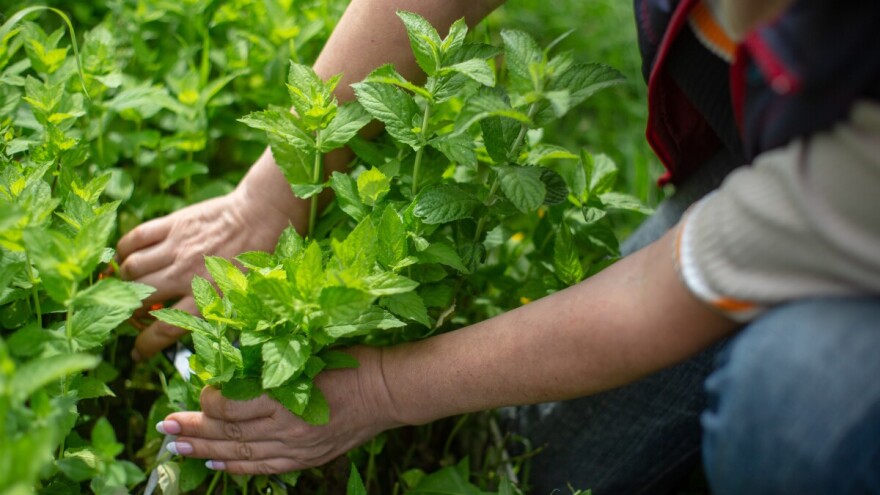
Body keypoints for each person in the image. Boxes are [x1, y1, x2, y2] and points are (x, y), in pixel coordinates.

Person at [121, 0, 880, 492]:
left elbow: (662, 292)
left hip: (851, 173)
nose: (734, 22)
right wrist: (269, 198)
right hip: (796, 148)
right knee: (556, 464)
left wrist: (374, 393)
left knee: (790, 409)